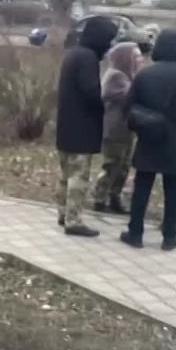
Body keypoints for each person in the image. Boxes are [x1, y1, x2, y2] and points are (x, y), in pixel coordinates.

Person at [121, 29, 176, 251]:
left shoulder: (145, 74)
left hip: (148, 137)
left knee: (142, 187)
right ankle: (169, 236)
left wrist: (141, 125)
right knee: (174, 189)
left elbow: (128, 106)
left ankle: (135, 232)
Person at [56, 15, 119, 237]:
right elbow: (91, 93)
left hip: (66, 125)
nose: (109, 45)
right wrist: (103, 107)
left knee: (65, 175)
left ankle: (63, 213)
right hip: (81, 128)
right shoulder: (87, 58)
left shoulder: (73, 54)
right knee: (78, 176)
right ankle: (73, 220)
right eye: (108, 39)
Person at [93, 41, 145, 215]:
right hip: (114, 130)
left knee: (123, 166)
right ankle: (100, 197)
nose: (140, 60)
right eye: (136, 57)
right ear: (125, 59)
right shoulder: (115, 77)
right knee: (111, 164)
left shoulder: (127, 76)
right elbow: (129, 96)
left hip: (125, 130)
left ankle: (114, 197)